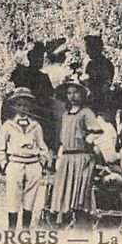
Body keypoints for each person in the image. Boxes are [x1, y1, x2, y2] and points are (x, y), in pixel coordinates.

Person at [0, 88, 50, 229]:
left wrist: (41, 164)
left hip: (33, 164)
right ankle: (11, 229)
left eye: (26, 104)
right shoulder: (8, 126)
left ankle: (25, 229)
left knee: (30, 198)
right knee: (13, 197)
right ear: (14, 106)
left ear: (30, 106)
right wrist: (5, 164)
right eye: (19, 104)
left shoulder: (35, 126)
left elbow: (43, 147)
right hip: (15, 163)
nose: (23, 108)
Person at [50, 80, 103, 225]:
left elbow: (97, 132)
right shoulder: (65, 115)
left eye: (75, 92)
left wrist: (88, 139)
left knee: (80, 194)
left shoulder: (86, 113)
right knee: (65, 191)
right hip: (67, 157)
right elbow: (62, 138)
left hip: (82, 157)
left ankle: (82, 221)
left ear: (82, 94)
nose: (72, 96)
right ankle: (64, 220)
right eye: (69, 93)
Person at [84, 35, 115, 113]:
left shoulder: (105, 64)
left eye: (88, 48)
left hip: (102, 103)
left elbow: (106, 85)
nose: (87, 51)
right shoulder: (90, 64)